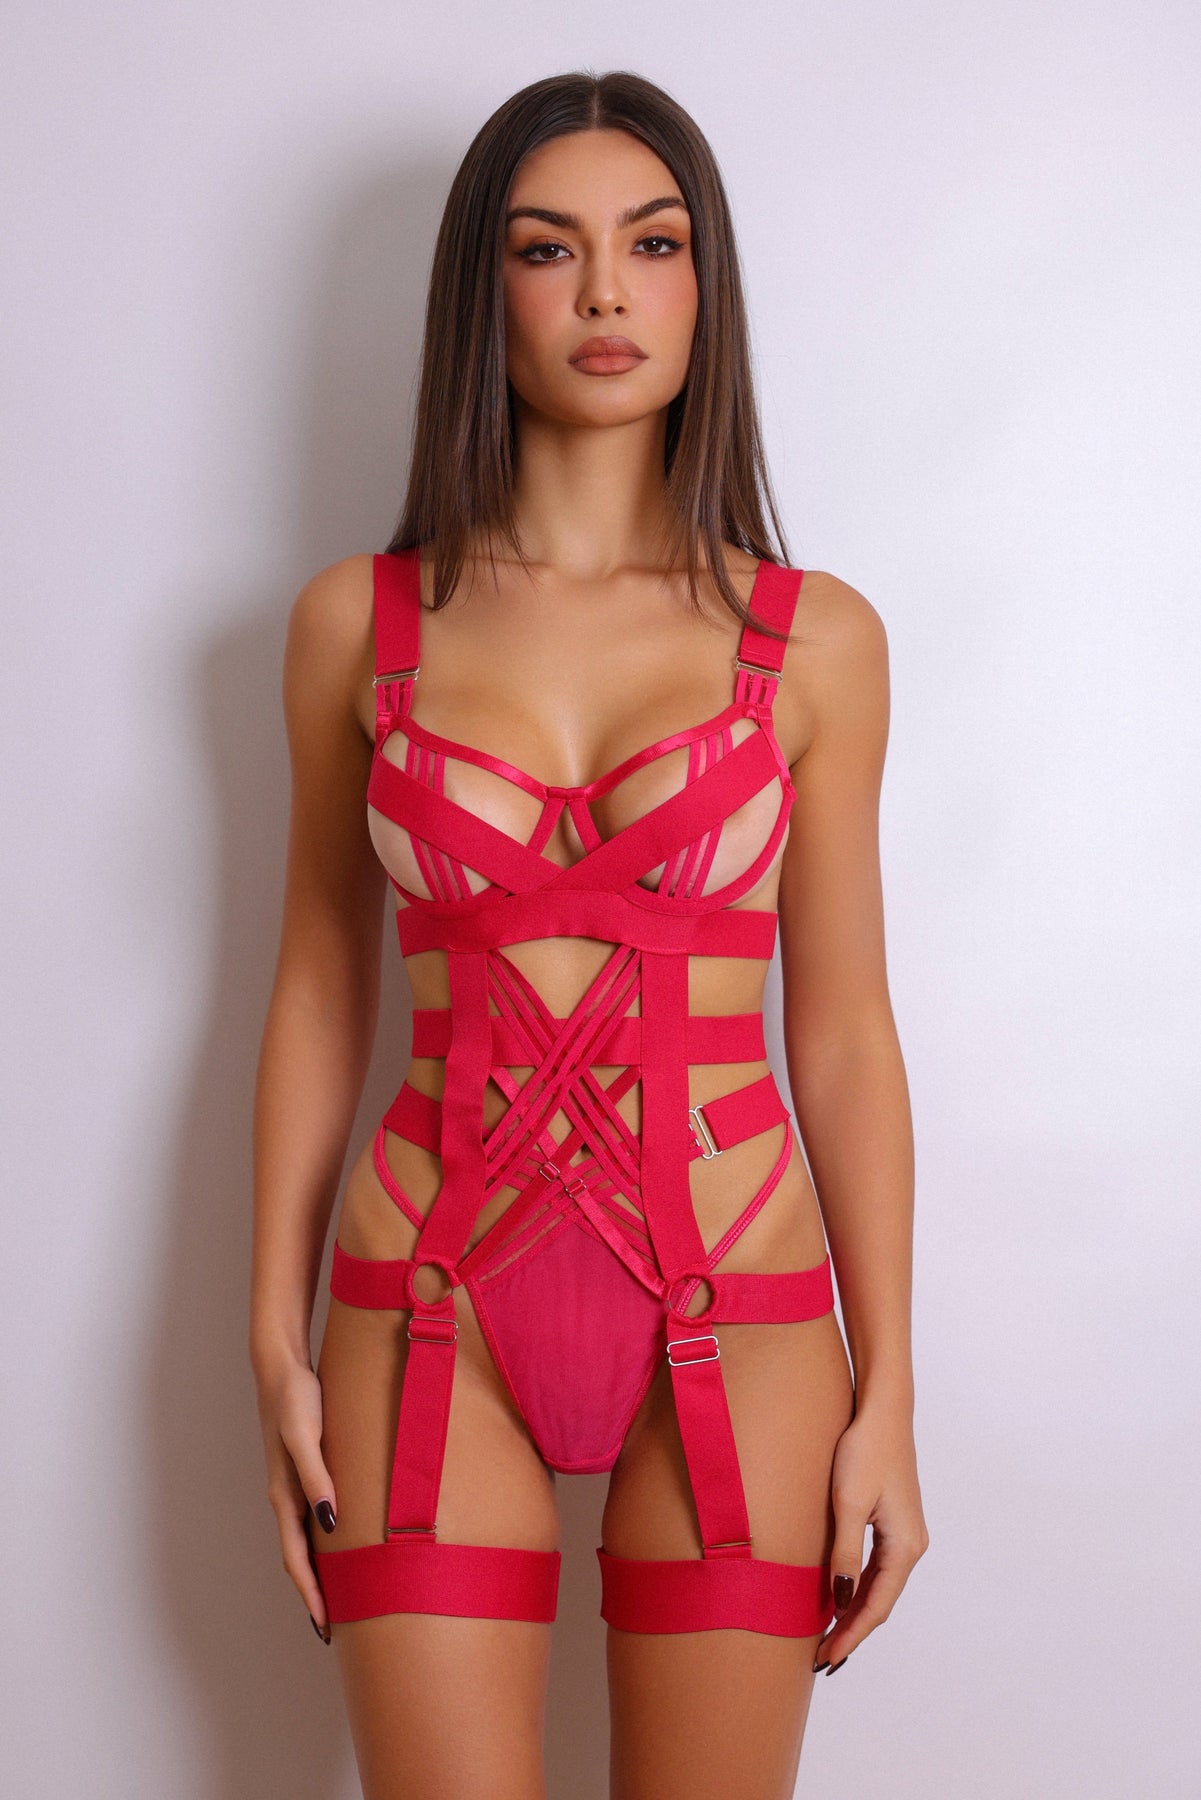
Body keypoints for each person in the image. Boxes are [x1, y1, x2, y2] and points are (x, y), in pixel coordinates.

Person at [250, 68, 928, 1800]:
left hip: (745, 1314)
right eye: (549, 250)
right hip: (422, 1307)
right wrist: (268, 1334)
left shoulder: (817, 641)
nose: (607, 292)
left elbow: (842, 1030)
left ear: (707, 288)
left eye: (656, 244)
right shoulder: (355, 625)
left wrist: (891, 1396)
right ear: (483, 294)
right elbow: (319, 986)